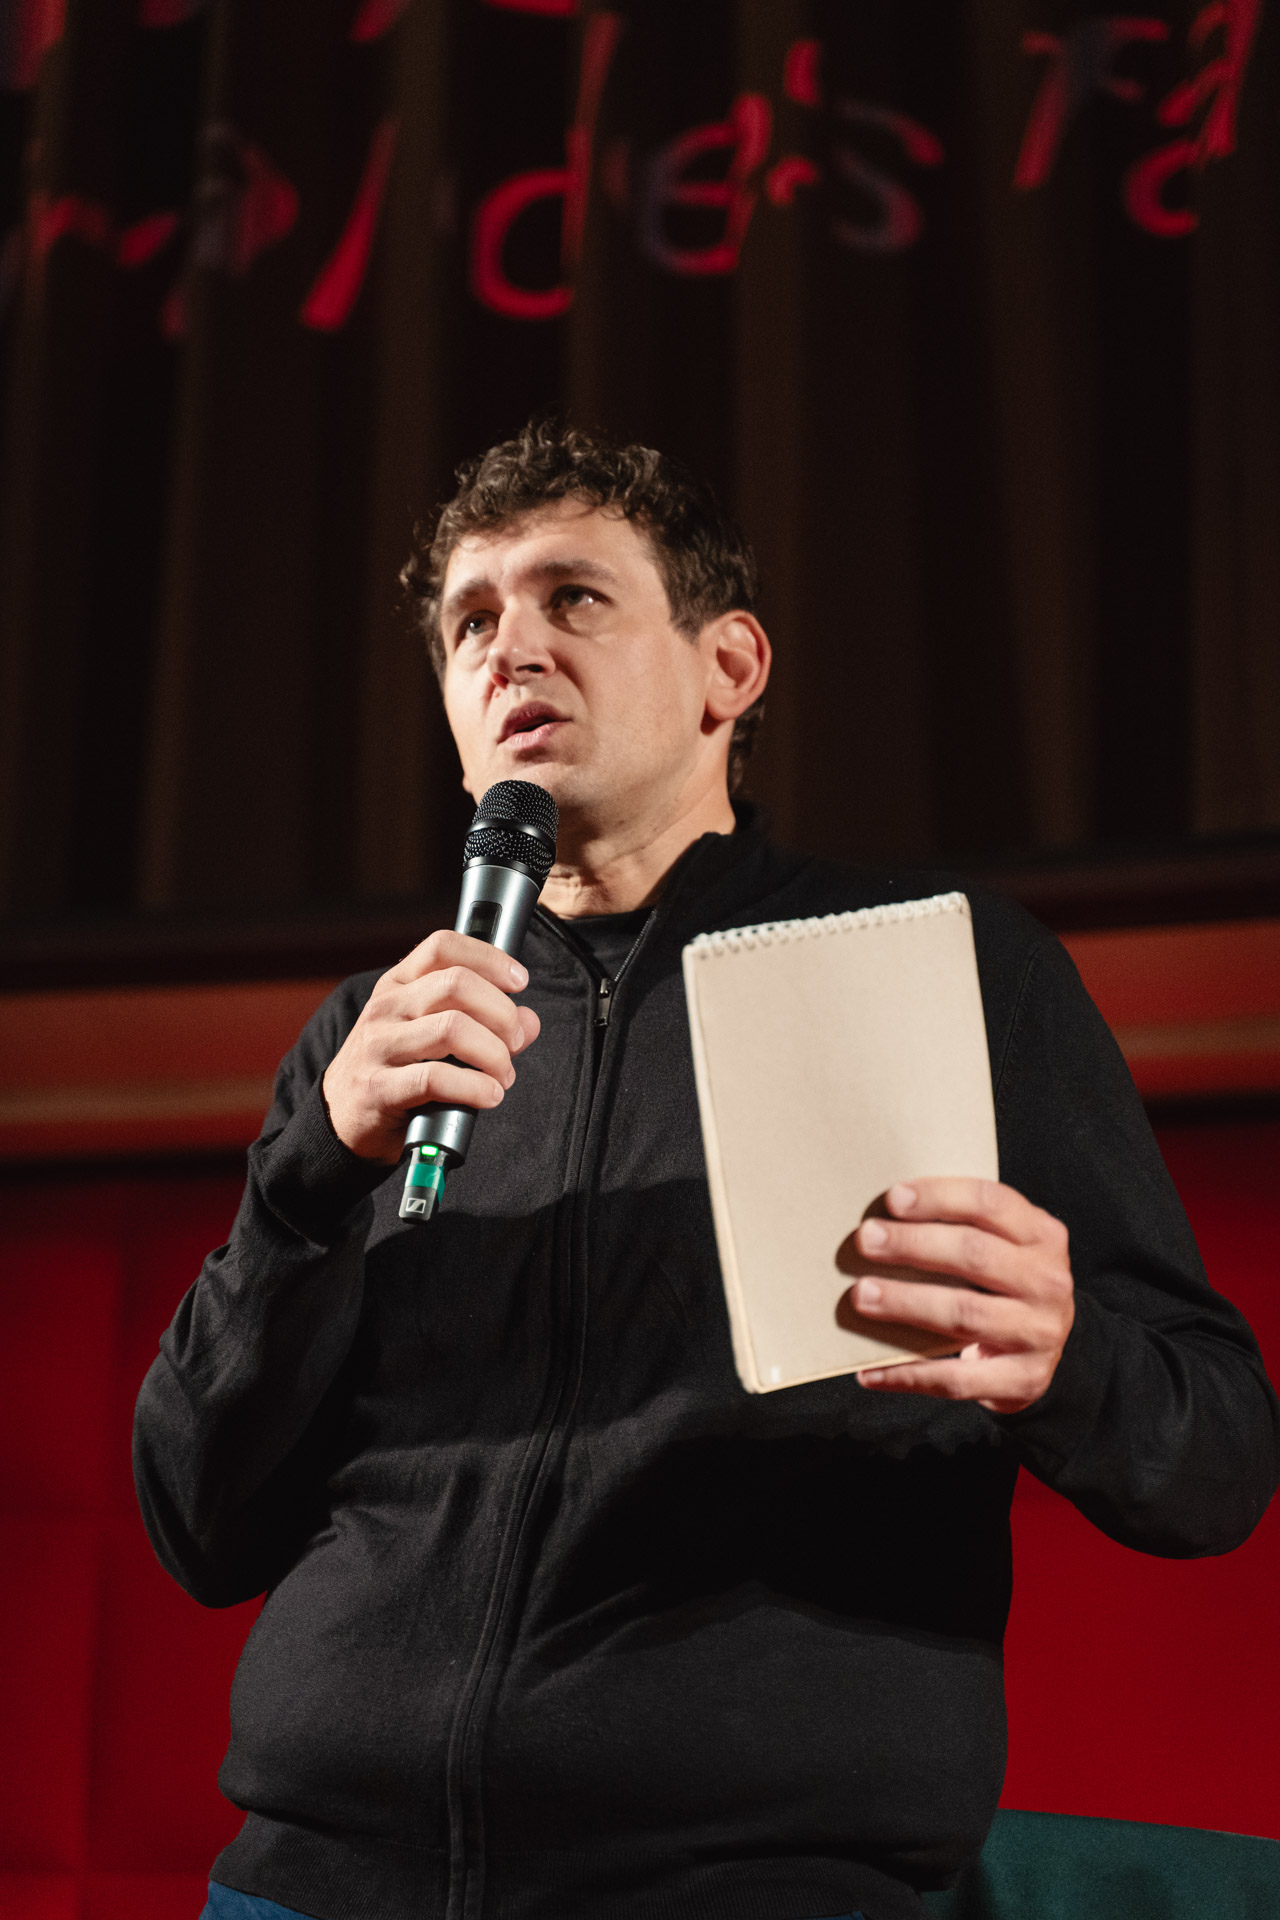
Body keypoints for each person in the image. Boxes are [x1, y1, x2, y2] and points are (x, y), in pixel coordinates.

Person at [135, 420, 1279, 1920]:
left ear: (727, 670)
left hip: (744, 1880)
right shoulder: (378, 1039)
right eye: (470, 622)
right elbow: (199, 1523)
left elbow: (1215, 1459)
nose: (510, 648)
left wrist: (1067, 1360)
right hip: (318, 1878)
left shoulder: (936, 973)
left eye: (573, 598)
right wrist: (305, 1177)